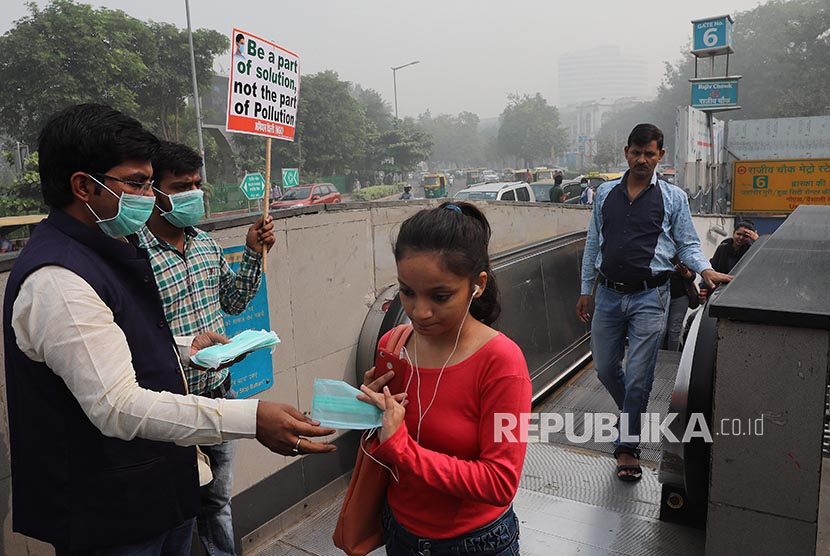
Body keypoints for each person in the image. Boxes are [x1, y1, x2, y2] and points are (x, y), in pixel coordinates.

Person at [2, 104, 335, 556]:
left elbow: (113, 338)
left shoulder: (111, 248)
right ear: (83, 185)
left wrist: (179, 344)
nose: (145, 194)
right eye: (137, 183)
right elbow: (116, 405)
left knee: (212, 509)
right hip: (114, 512)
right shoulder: (58, 280)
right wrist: (251, 418)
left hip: (162, 481)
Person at [357, 201, 532, 556]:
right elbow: (390, 437)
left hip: (474, 543)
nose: (419, 312)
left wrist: (403, 450)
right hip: (399, 529)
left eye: (440, 296)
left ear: (477, 285)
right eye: (407, 291)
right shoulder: (393, 345)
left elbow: (500, 483)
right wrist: (369, 412)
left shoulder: (503, 364)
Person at [138, 141, 275, 556]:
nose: (194, 194)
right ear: (155, 191)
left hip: (219, 394)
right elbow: (134, 332)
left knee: (217, 502)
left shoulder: (206, 246)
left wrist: (253, 253)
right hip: (169, 406)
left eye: (198, 185)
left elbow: (233, 301)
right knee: (173, 511)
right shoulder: (135, 253)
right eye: (181, 187)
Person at [575, 123, 732, 482]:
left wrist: (705, 270)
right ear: (626, 152)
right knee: (603, 368)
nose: (642, 159)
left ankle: (627, 447)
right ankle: (629, 410)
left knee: (639, 377)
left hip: (651, 296)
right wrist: (587, 290)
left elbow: (689, 242)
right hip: (609, 295)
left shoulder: (674, 197)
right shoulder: (605, 194)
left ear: (660, 155)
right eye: (636, 152)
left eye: (650, 153)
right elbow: (593, 245)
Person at [664, 260, 697, 351]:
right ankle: (656, 356)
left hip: (680, 296)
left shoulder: (684, 254)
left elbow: (692, 276)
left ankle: (672, 357)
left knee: (674, 330)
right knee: (660, 329)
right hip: (661, 294)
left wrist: (684, 272)